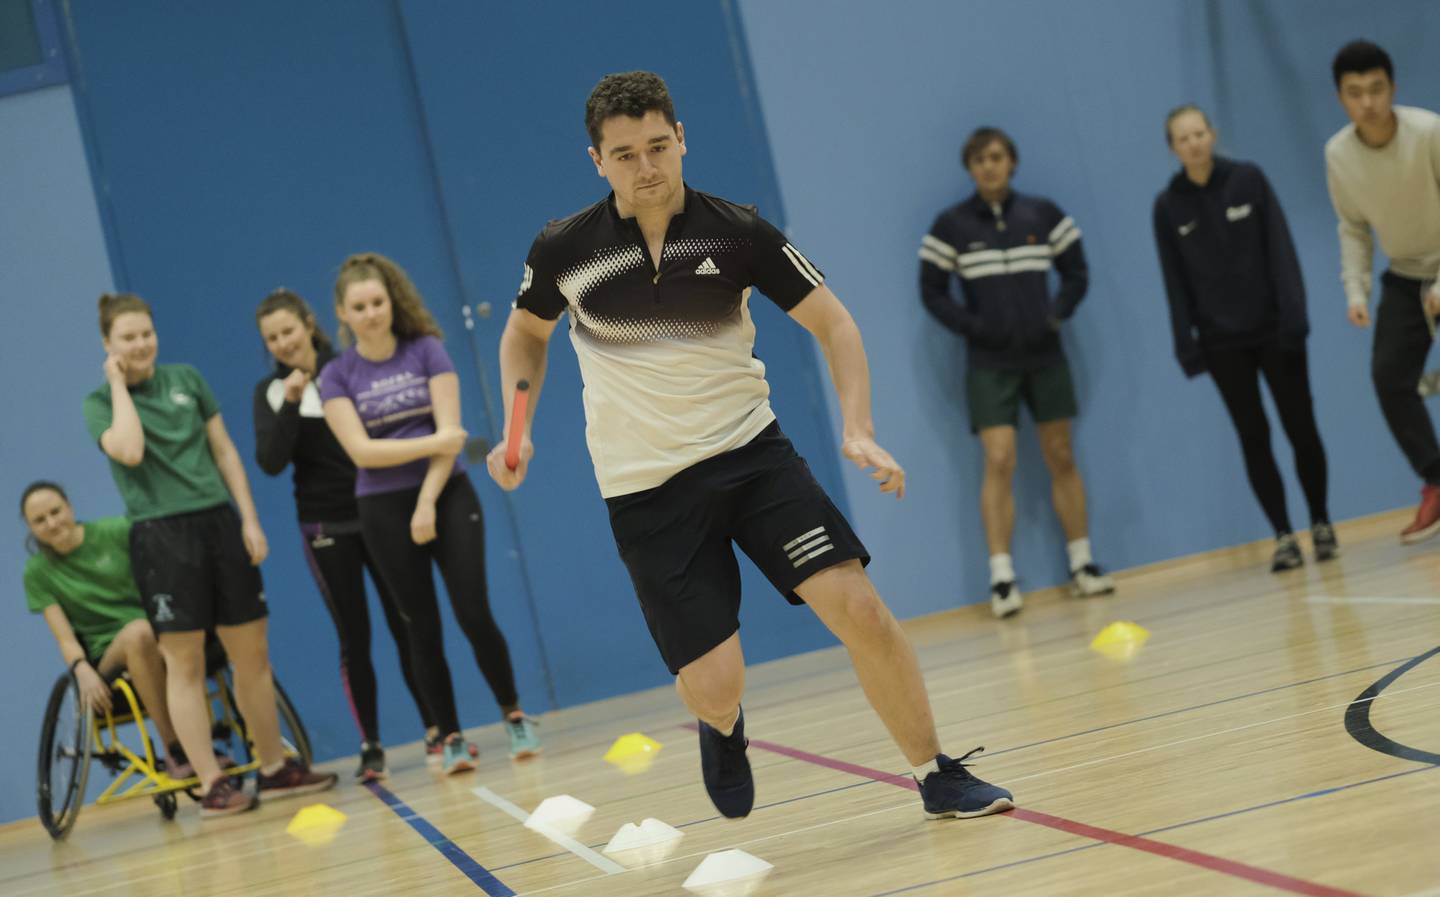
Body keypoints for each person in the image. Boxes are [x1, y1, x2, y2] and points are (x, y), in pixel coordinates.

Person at [488, 70, 1012, 821]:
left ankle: (937, 772)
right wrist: (517, 431)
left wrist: (857, 427)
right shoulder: (565, 248)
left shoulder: (737, 231)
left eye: (659, 146)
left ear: (682, 140)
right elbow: (525, 334)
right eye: (626, 153)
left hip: (751, 455)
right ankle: (723, 724)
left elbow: (835, 323)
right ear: (597, 161)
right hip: (646, 487)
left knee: (860, 609)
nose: (647, 167)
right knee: (715, 682)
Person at [83, 292, 337, 817]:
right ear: (108, 344)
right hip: (161, 536)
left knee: (253, 653)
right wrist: (116, 382)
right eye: (127, 338)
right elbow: (128, 451)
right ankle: (212, 781)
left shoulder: (187, 381)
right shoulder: (98, 402)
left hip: (218, 522)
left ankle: (274, 768)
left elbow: (223, 450)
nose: (140, 345)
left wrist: (247, 518)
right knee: (185, 662)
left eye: (146, 334)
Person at [318, 252, 541, 775]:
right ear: (343, 313)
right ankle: (453, 737)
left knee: (473, 611)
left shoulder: (427, 350)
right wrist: (434, 442)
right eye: (360, 306)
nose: (371, 313)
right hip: (380, 507)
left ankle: (515, 717)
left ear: (391, 302)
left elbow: (451, 440)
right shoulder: (336, 375)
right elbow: (362, 453)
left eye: (377, 301)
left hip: (448, 495)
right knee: (421, 627)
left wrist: (425, 501)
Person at [918, 126, 1114, 618]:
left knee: (1060, 452)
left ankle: (1083, 563)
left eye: (998, 156)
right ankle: (1002, 577)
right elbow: (932, 291)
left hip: (1045, 355)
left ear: (1012, 162)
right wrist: (975, 328)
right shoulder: (951, 226)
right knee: (1000, 460)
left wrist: (1055, 315)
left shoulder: (1043, 215)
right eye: (980, 159)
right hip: (989, 362)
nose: (989, 165)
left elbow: (1078, 272)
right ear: (970, 167)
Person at [254, 288, 437, 781]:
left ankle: (436, 729)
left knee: (406, 623)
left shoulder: (348, 370)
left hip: (377, 513)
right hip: (324, 525)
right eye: (272, 338)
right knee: (353, 636)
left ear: (309, 324)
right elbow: (270, 462)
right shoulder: (270, 393)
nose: (283, 343)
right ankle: (371, 745)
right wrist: (291, 402)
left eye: (288, 331)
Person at [1153, 105, 1336, 571]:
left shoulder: (1248, 180)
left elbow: (1281, 249)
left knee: (1301, 427)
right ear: (1173, 148)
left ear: (1212, 134)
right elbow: (1173, 281)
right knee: (1253, 435)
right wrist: (1185, 343)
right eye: (1182, 138)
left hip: (1275, 331)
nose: (1193, 143)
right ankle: (1283, 536)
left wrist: (1295, 316)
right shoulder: (1168, 206)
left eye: (1199, 133)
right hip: (1221, 343)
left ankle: (1321, 521)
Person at [1325, 39, 1440, 544]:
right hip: (1403, 273)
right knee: (1389, 377)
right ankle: (1437, 479)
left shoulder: (1429, 131)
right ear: (1341, 99)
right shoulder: (1338, 154)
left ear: (1392, 87)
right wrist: (1355, 290)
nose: (1367, 102)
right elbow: (1352, 227)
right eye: (1354, 93)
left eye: (1376, 89)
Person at [21, 481, 188, 776]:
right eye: (39, 520)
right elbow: (65, 638)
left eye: (55, 511)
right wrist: (81, 670)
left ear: (69, 507)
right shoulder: (37, 573)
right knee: (138, 633)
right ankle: (175, 748)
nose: (51, 523)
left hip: (160, 633)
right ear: (30, 527)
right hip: (107, 655)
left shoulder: (117, 531)